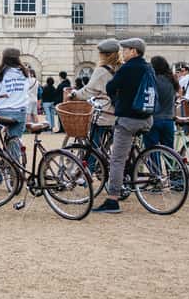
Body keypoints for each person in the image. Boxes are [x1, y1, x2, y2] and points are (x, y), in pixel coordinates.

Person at [95, 38, 155, 214]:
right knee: (130, 152)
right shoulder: (148, 67)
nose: (123, 53)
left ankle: (112, 199)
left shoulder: (128, 68)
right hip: (146, 118)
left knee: (117, 159)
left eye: (126, 50)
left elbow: (111, 86)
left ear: (134, 51)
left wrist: (116, 98)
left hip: (128, 119)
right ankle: (134, 174)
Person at [0, 48, 29, 162]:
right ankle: (15, 170)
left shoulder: (0, 74)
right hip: (20, 112)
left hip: (2, 113)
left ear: (3, 59)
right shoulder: (25, 73)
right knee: (15, 141)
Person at [70, 39, 120, 147]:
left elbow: (88, 91)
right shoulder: (121, 68)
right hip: (119, 114)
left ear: (104, 55)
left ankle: (92, 164)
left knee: (94, 147)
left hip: (105, 115)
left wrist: (74, 94)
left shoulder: (101, 71)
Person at [144, 55, 178, 151]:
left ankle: (156, 167)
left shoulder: (153, 80)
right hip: (168, 119)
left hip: (154, 119)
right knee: (169, 152)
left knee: (152, 151)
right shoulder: (172, 81)